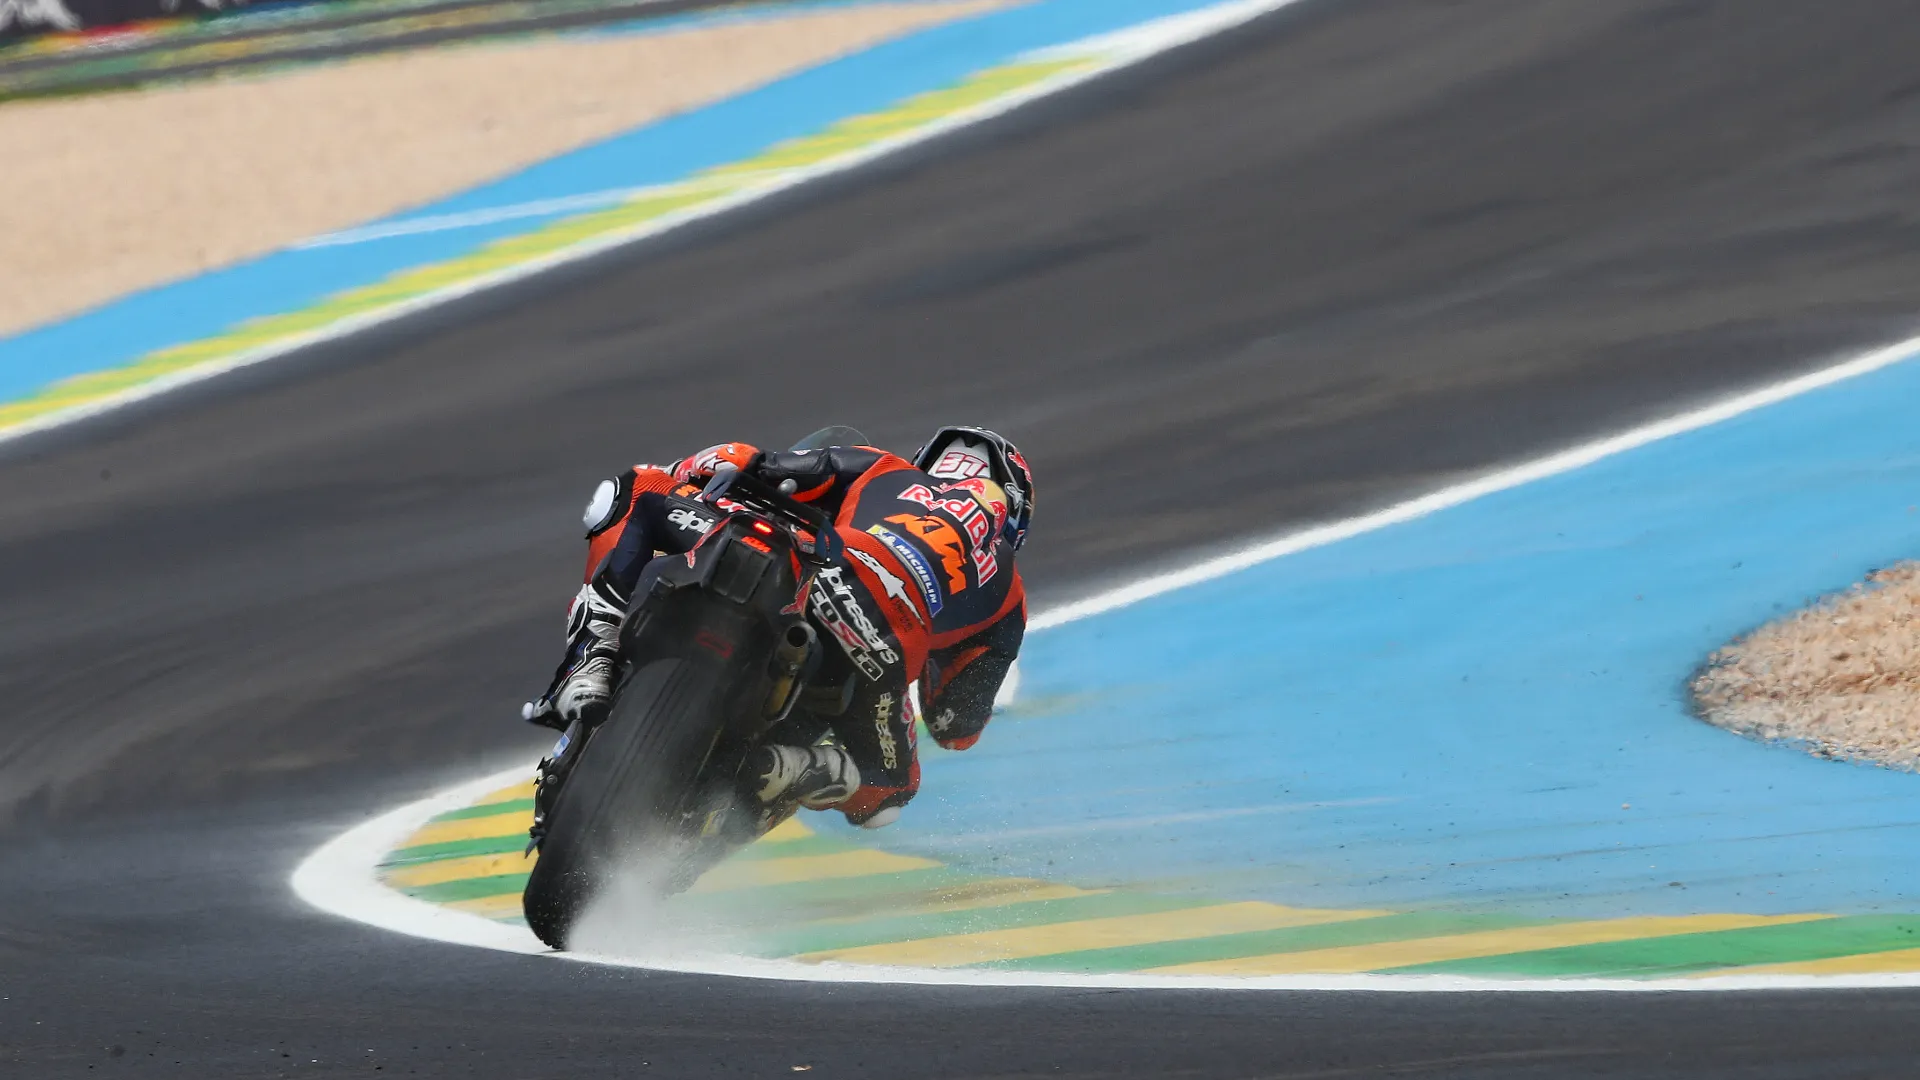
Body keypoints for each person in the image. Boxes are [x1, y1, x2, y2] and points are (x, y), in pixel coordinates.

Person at [523, 426, 1033, 829]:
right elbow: (954, 727)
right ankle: (798, 769)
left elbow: (750, 463)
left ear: (926, 461)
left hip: (817, 573)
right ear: (1015, 519)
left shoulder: (884, 467)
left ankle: (591, 655)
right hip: (882, 648)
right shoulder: (1009, 596)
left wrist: (691, 475)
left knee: (637, 489)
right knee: (888, 793)